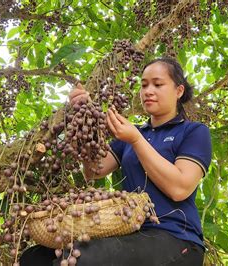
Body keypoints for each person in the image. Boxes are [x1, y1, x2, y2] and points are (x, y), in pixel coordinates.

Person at [20, 57, 212, 265]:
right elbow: (94, 170)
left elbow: (179, 188)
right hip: (130, 231)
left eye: (158, 84)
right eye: (144, 84)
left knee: (81, 259)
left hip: (177, 237)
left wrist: (136, 140)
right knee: (34, 258)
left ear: (179, 91)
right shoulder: (134, 133)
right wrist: (84, 119)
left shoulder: (193, 131)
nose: (148, 91)